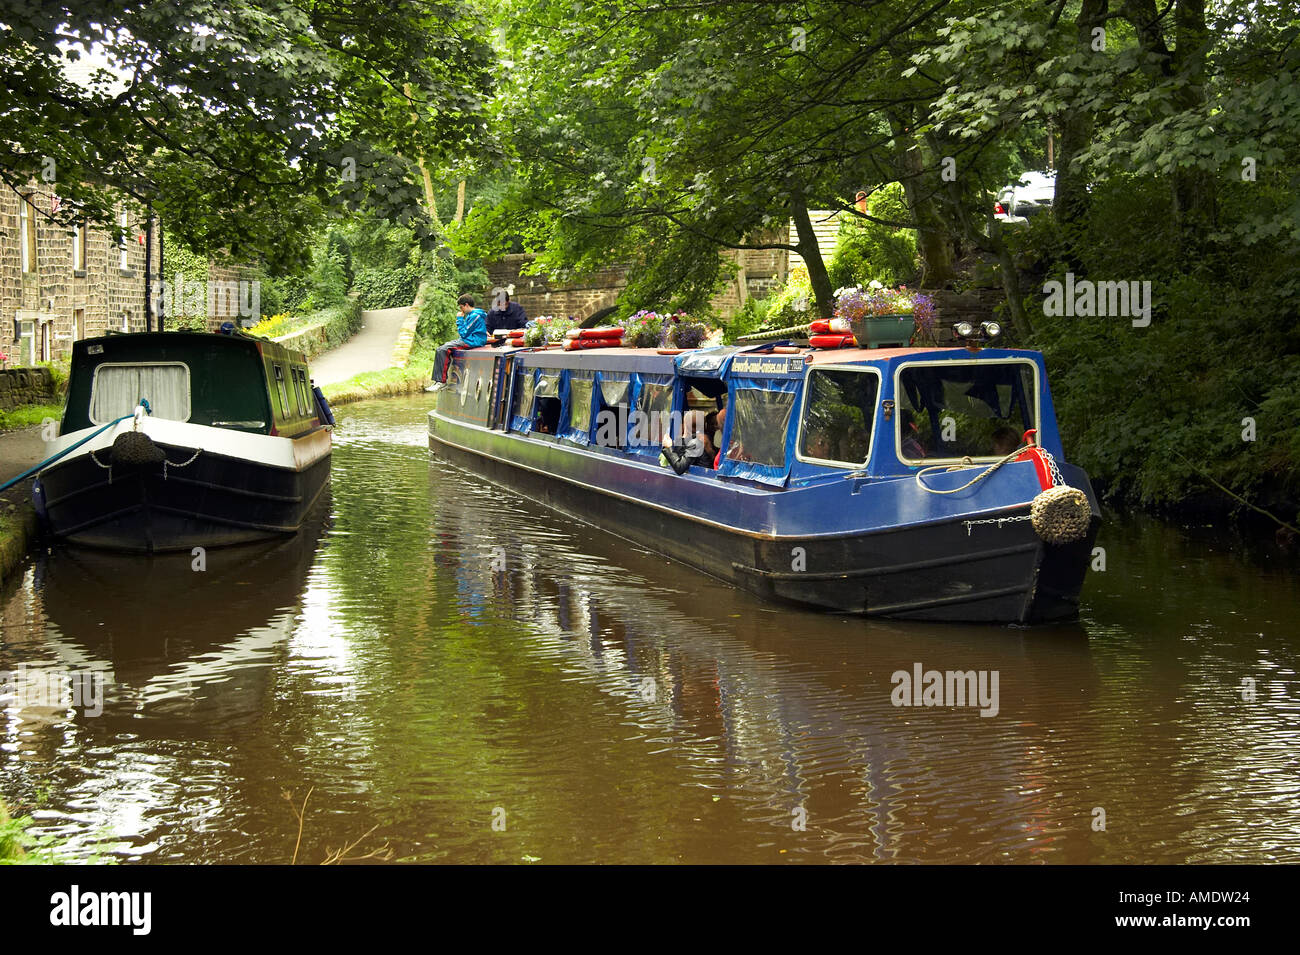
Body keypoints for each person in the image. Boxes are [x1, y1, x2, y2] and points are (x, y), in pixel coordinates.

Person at [433, 295, 488, 384]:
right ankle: (437, 381)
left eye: (461, 307)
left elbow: (464, 333)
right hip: (469, 339)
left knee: (444, 350)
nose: (461, 310)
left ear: (466, 305)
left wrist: (459, 319)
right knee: (440, 349)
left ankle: (440, 381)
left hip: (473, 341)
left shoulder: (475, 316)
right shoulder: (472, 315)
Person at [660, 410, 716, 474]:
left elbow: (680, 468)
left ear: (685, 424)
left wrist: (668, 447)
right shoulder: (697, 440)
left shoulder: (696, 443)